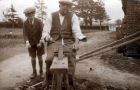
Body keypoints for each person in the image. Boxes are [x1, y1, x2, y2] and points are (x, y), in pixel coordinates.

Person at [41, 0, 86, 87]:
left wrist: (76, 43)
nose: (66, 8)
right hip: (54, 41)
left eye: (68, 6)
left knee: (71, 58)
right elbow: (45, 31)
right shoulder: (51, 16)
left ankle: (70, 81)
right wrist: (47, 37)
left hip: (68, 42)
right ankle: (48, 80)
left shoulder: (73, 16)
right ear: (60, 5)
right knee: (49, 59)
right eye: (64, 5)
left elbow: (77, 32)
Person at [23, 7, 44, 79]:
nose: (31, 16)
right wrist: (27, 42)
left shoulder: (39, 21)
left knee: (40, 57)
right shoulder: (25, 23)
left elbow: (43, 32)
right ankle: (34, 72)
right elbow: (25, 34)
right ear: (26, 16)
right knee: (33, 58)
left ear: (34, 14)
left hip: (39, 42)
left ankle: (41, 72)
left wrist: (40, 42)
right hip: (31, 43)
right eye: (29, 15)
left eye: (32, 15)